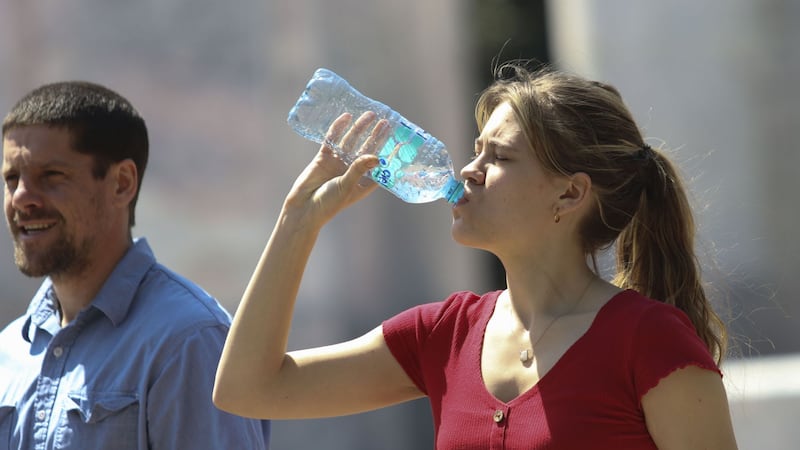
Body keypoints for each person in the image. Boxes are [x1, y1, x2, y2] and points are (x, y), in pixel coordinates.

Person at [213, 63, 739, 449]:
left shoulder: (650, 340)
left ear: (570, 194)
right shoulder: (444, 334)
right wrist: (297, 221)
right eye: (476, 150)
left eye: (500, 157)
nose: (468, 170)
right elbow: (248, 389)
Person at [0, 81, 270, 449]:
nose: (21, 199)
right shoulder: (10, 349)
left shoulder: (188, 341)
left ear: (122, 183)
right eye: (11, 179)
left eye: (51, 177)